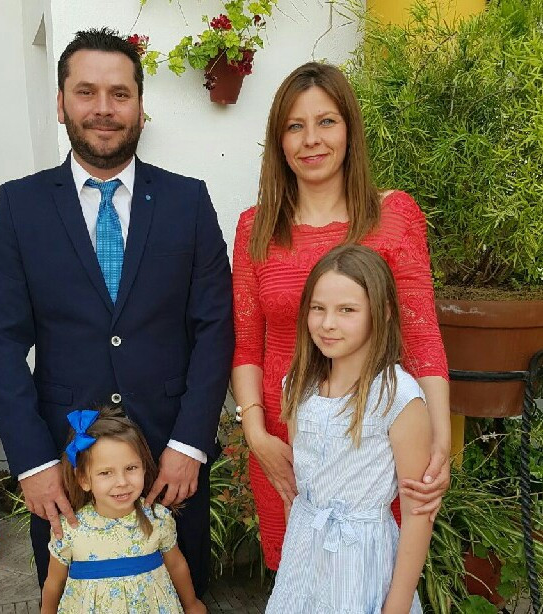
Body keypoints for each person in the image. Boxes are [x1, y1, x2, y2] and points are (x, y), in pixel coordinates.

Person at [0, 28, 234, 597]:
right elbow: (0, 341)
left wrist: (190, 445)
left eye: (120, 94)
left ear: (141, 106)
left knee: (177, 597)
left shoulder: (188, 202)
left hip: (170, 464)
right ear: (62, 103)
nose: (103, 108)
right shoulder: (20, 206)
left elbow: (215, 328)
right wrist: (33, 463)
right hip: (66, 470)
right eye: (86, 92)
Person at [231, 62, 450, 569]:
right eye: (295, 126)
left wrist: (438, 439)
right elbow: (246, 345)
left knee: (369, 577)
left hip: (374, 443)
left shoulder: (393, 216)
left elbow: (421, 337)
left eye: (326, 121)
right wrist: (257, 436)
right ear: (279, 140)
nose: (311, 139)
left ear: (349, 129)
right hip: (284, 443)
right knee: (297, 580)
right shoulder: (255, 228)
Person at [265, 245, 433, 613]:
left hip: (362, 566)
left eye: (347, 310)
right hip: (303, 560)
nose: (328, 323)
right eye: (318, 308)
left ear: (382, 313)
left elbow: (418, 511)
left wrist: (397, 605)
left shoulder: (398, 396)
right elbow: (302, 485)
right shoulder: (298, 386)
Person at [41, 407, 206, 614]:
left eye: (131, 468)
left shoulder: (157, 518)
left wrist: (191, 604)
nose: (121, 482)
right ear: (83, 479)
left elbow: (176, 565)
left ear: (143, 468)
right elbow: (54, 582)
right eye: (105, 473)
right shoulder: (69, 530)